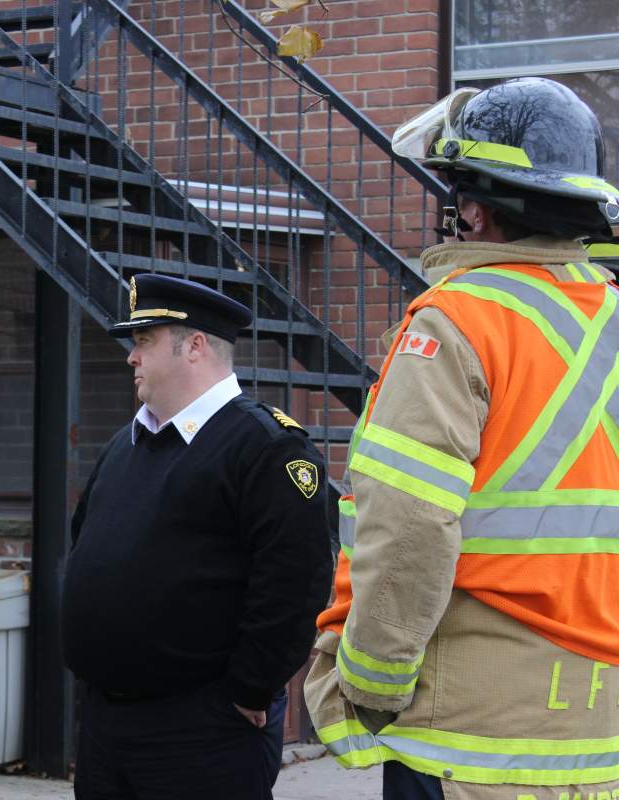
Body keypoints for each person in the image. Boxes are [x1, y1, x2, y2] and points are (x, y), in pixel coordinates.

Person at [304, 77, 619, 800]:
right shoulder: (612, 319)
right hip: (597, 735)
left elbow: (409, 526)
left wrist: (371, 684)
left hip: (467, 742)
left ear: (474, 211)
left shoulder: (457, 322)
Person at [61, 273, 332, 800]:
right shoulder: (127, 442)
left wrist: (250, 686)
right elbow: (86, 541)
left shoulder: (264, 446)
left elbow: (295, 581)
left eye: (144, 342)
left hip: (203, 727)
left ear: (196, 347)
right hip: (107, 725)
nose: (130, 358)